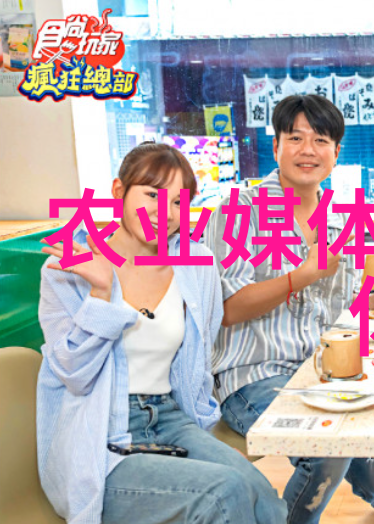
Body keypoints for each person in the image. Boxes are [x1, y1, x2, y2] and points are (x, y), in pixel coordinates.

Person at [36, 143, 286, 524]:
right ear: (119, 191)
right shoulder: (71, 268)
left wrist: (209, 442)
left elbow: (197, 368)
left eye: (178, 202)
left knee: (258, 490)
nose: (165, 213)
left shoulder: (196, 265)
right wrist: (101, 294)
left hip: (169, 417)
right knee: (225, 492)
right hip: (100, 437)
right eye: (152, 195)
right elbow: (74, 375)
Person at [204, 95, 374, 524]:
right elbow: (227, 309)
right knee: (328, 444)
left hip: (326, 372)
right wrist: (303, 275)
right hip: (254, 376)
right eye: (295, 138)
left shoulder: (342, 218)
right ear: (276, 146)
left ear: (336, 153)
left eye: (320, 140)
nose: (307, 150)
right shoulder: (240, 210)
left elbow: (341, 307)